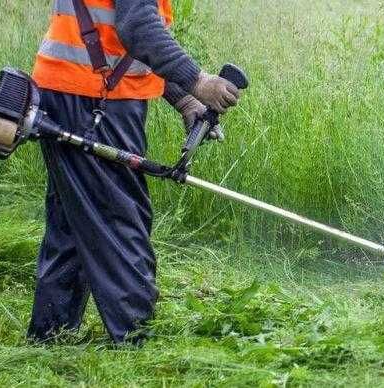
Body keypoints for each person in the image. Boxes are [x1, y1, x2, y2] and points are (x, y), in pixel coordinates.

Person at [26, 0, 239, 345]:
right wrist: (196, 81)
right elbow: (138, 26)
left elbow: (128, 40)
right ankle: (134, 338)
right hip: (94, 96)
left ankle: (50, 333)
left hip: (75, 89)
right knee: (119, 217)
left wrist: (183, 100)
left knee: (72, 220)